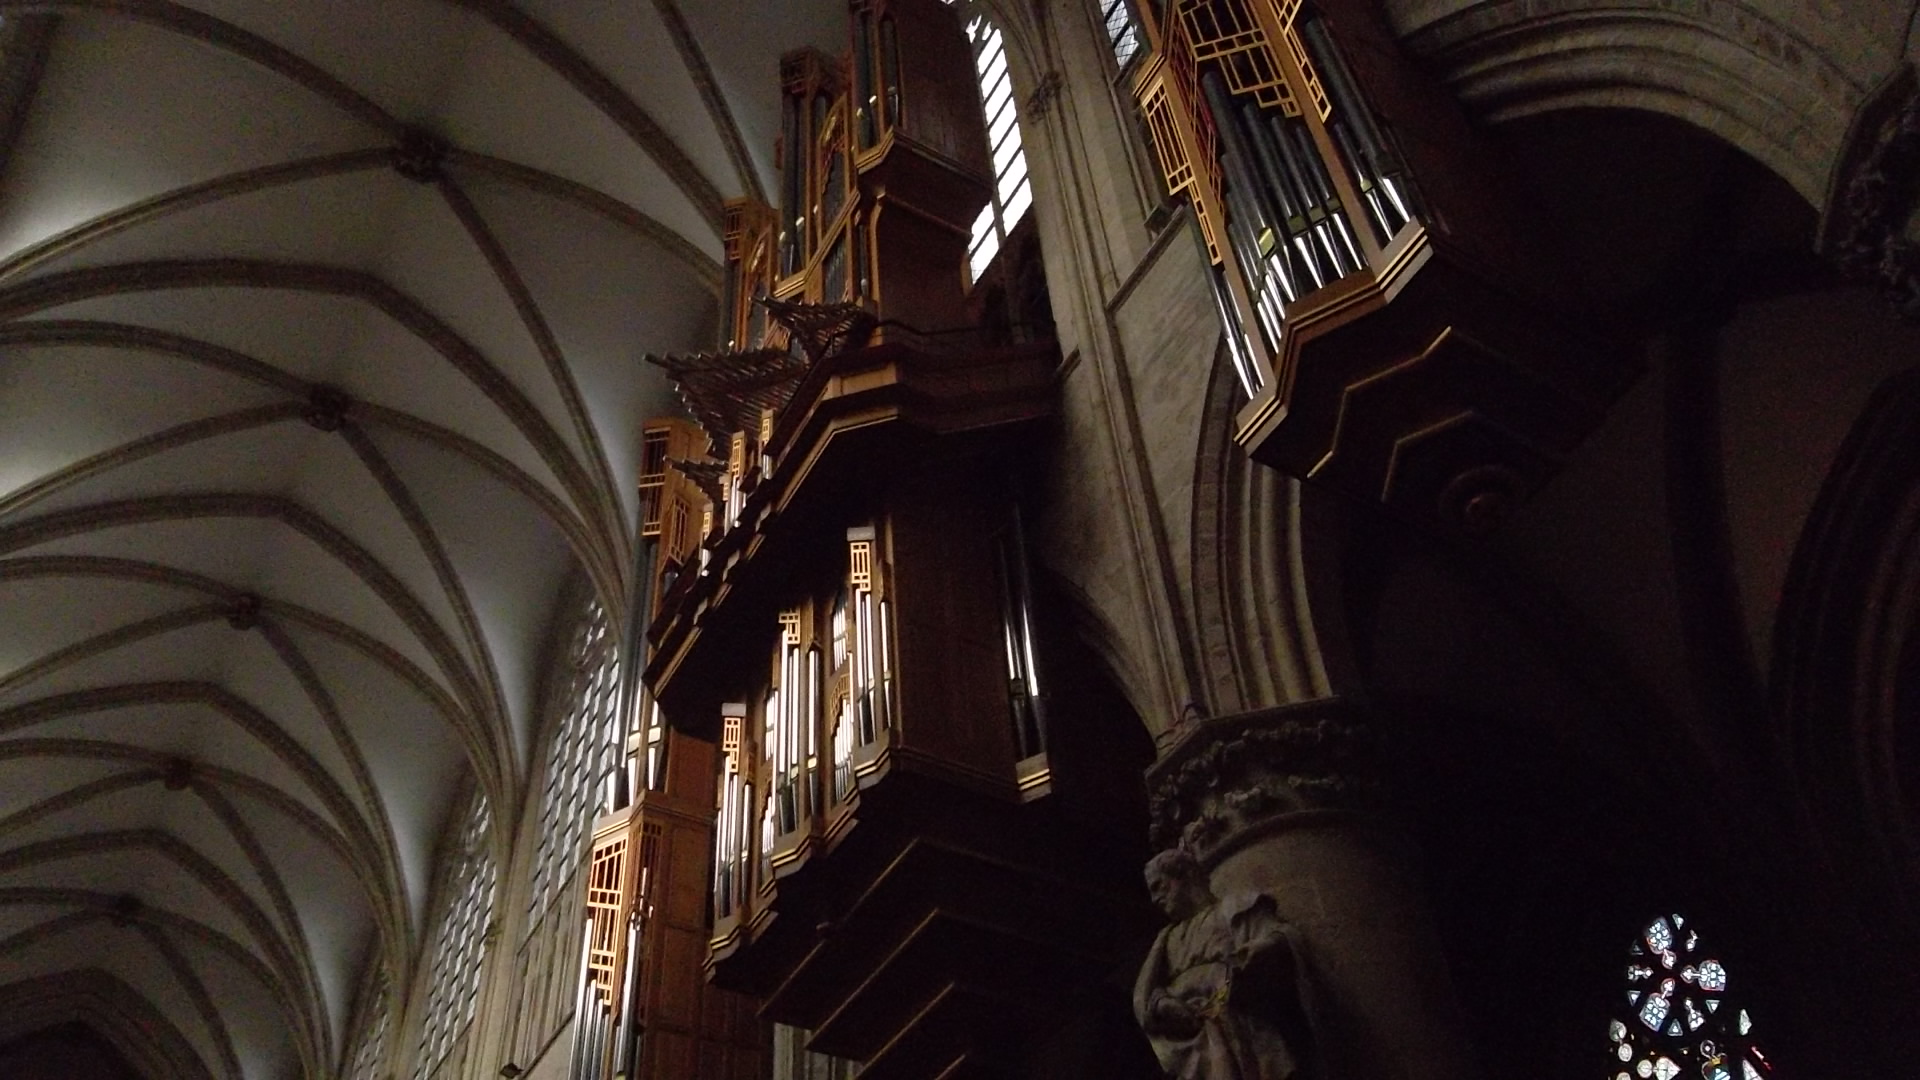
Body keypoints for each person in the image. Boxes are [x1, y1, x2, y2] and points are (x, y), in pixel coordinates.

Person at [1134, 849, 1315, 1080]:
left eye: (1159, 886)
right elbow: (1145, 995)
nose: (1154, 899)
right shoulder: (1167, 939)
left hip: (1238, 1025)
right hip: (1194, 1039)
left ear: (1184, 875)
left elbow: (1279, 935)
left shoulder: (1234, 908)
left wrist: (1264, 947)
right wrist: (1162, 1003)